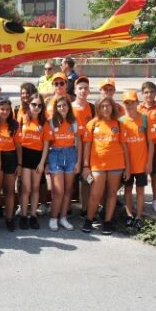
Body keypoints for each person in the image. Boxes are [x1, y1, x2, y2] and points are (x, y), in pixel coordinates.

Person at [81, 97, 130, 235]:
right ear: (98, 108)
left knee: (112, 193)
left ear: (112, 107)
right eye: (102, 106)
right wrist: (85, 166)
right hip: (97, 165)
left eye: (108, 106)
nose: (105, 109)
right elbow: (87, 146)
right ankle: (89, 220)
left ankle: (107, 222)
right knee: (95, 194)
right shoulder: (92, 124)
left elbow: (124, 147)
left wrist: (128, 167)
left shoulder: (119, 124)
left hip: (116, 164)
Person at [43, 95, 81, 231]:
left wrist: (78, 161)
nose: (62, 108)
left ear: (68, 106)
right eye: (59, 106)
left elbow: (79, 142)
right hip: (55, 155)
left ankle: (63, 218)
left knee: (68, 190)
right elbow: (47, 144)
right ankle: (53, 218)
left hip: (71, 155)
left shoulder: (74, 121)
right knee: (58, 191)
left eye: (64, 105)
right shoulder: (51, 122)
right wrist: (46, 162)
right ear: (55, 108)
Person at [120, 91, 155, 228]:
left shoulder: (145, 119)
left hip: (142, 164)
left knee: (140, 191)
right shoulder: (121, 121)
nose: (130, 105)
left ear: (137, 103)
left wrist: (149, 162)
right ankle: (129, 216)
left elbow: (151, 143)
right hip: (127, 165)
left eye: (132, 102)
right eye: (127, 103)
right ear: (123, 105)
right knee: (128, 190)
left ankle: (139, 216)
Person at [17, 93, 46, 230]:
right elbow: (18, 141)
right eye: (34, 104)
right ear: (29, 105)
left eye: (40, 105)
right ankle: (23, 215)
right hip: (25, 156)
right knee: (26, 189)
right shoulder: (22, 119)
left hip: (38, 157)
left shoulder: (44, 122)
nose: (36, 107)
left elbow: (46, 145)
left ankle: (33, 216)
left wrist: (42, 163)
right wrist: (19, 162)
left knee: (35, 188)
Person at [0, 98, 22, 232]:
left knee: (10, 191)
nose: (4, 111)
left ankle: (9, 219)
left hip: (10, 158)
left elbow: (18, 146)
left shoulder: (14, 125)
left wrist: (20, 164)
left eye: (7, 109)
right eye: (2, 109)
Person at [138, 81, 156, 212]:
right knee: (140, 173)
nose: (149, 95)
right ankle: (140, 199)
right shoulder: (139, 108)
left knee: (155, 174)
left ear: (155, 93)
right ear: (142, 94)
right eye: (146, 92)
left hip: (155, 144)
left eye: (151, 92)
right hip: (141, 146)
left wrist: (145, 128)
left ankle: (155, 200)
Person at [71, 76, 95, 210]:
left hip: (88, 148)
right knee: (69, 181)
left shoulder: (92, 108)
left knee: (87, 179)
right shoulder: (68, 107)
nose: (83, 91)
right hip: (71, 147)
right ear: (75, 91)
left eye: (86, 88)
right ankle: (66, 210)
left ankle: (86, 209)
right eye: (80, 88)